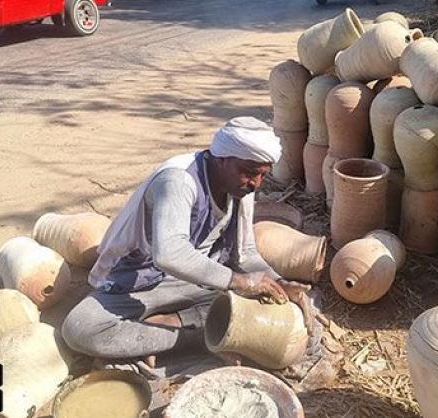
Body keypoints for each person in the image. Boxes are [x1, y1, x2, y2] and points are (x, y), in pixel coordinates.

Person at [61, 116, 314, 368]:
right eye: (249, 173)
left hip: (191, 279)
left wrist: (277, 282)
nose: (255, 184)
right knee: (80, 329)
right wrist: (241, 282)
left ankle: (166, 329)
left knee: (261, 301)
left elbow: (245, 254)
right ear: (223, 158)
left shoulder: (242, 187)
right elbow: (169, 254)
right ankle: (203, 336)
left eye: (262, 175)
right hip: (133, 280)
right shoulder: (178, 182)